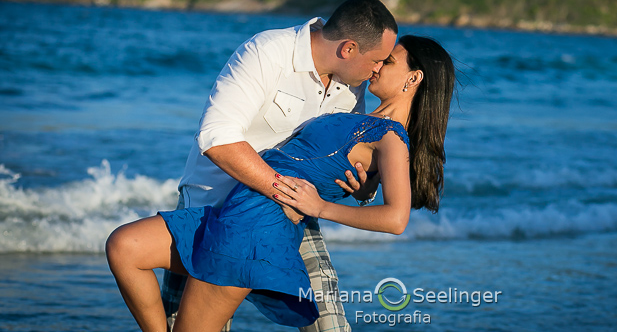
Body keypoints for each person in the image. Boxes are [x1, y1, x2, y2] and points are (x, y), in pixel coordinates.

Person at [106, 35, 456, 332]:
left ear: (413, 79)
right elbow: (351, 177)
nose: (376, 66)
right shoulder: (360, 112)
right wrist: (364, 190)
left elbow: (397, 218)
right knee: (125, 247)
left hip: (252, 232)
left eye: (389, 62)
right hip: (233, 208)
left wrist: (320, 207)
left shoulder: (392, 138)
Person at [156, 0, 398, 332]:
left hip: (289, 221)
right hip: (211, 210)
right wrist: (284, 193)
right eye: (377, 60)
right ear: (348, 49)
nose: (378, 70)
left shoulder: (349, 88)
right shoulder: (268, 52)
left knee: (330, 327)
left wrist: (362, 189)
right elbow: (217, 138)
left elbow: (331, 168)